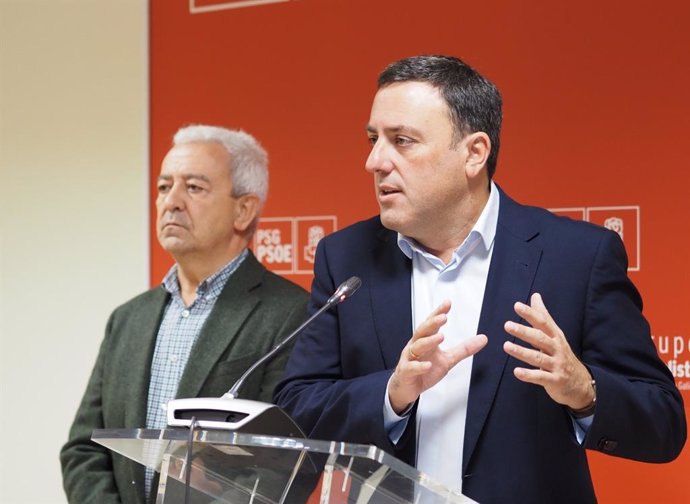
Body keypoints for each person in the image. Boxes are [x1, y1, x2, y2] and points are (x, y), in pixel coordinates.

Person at [274, 56, 686, 504]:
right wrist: (392, 392)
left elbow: (663, 426)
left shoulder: (576, 257)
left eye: (402, 141)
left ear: (474, 153)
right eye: (374, 139)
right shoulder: (345, 257)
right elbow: (296, 411)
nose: (374, 161)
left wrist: (583, 390)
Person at [60, 124, 309, 504]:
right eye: (164, 187)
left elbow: (283, 464)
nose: (171, 201)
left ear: (244, 209)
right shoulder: (128, 319)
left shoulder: (290, 314)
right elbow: (84, 448)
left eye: (193, 187)